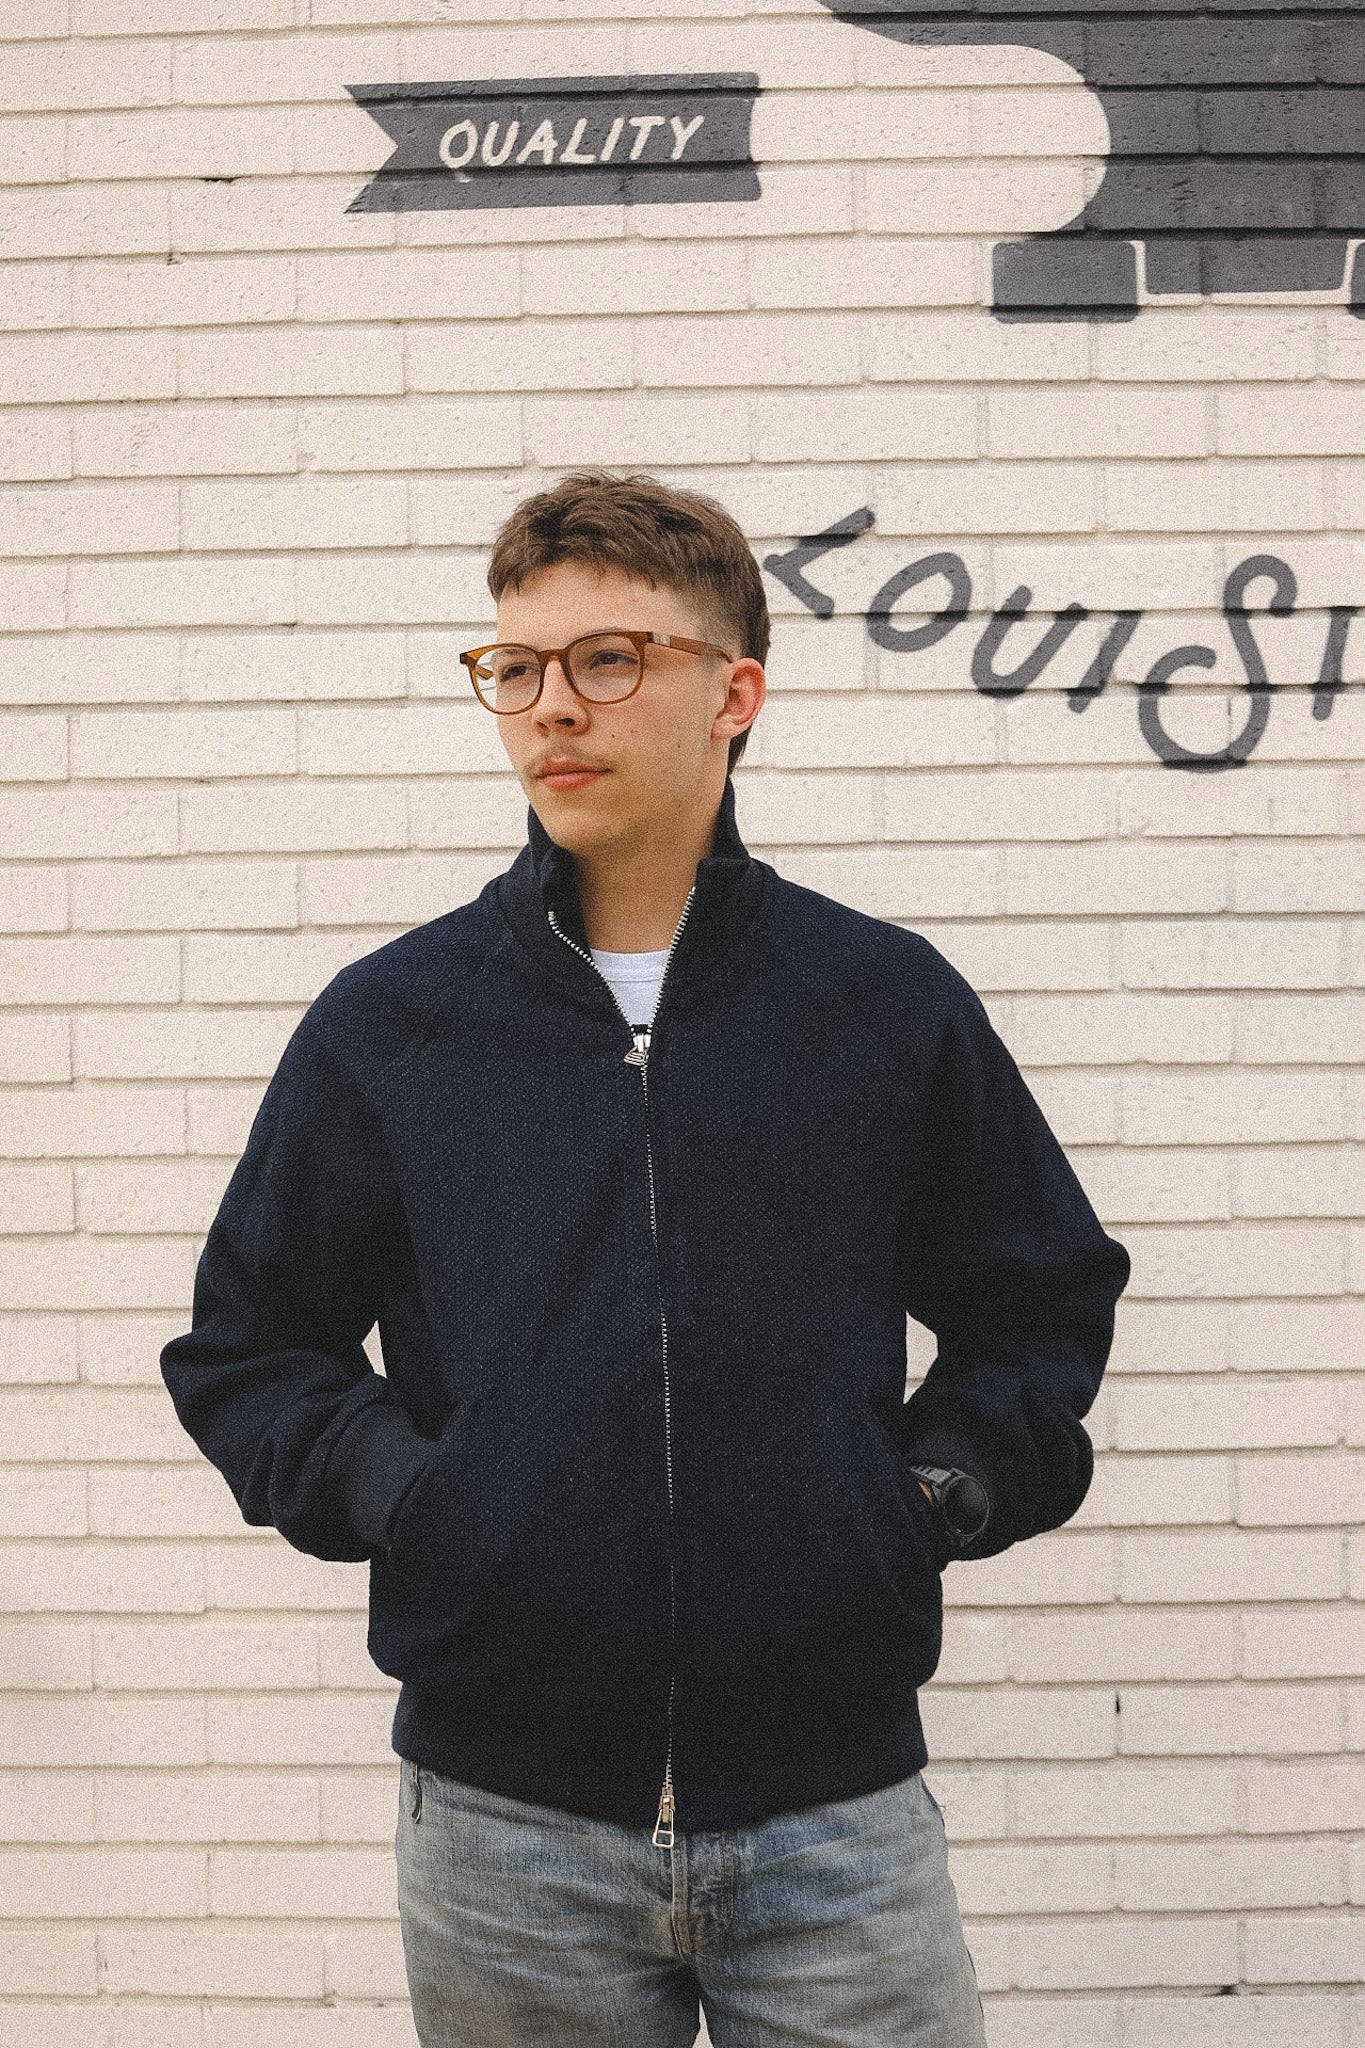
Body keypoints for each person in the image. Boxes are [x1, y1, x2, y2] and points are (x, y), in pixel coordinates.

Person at [161, 470, 1131, 2047]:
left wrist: (932, 1497)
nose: (553, 705)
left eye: (609, 659)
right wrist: (414, 1497)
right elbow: (248, 1348)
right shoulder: (395, 1026)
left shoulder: (880, 1006)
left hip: (834, 1822)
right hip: (505, 1838)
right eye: (516, 666)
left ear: (733, 694)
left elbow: (1036, 1302)